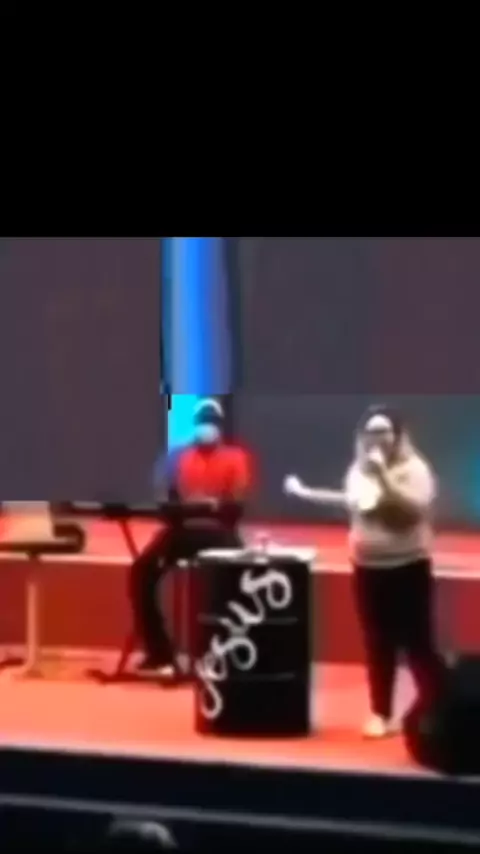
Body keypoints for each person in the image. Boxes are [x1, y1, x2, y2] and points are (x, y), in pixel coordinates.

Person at [284, 404, 443, 739]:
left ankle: (440, 707)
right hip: (368, 568)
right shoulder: (358, 470)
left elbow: (413, 509)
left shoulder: (415, 469)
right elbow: (351, 500)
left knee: (418, 643)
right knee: (377, 641)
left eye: (384, 431)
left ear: (398, 435)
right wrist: (305, 493)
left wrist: (384, 476)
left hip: (408, 566)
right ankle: (381, 713)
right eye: (371, 432)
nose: (377, 438)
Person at [129, 398, 253, 676]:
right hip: (182, 533)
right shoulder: (177, 457)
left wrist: (213, 507)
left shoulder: (236, 458)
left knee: (242, 580)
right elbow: (164, 498)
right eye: (202, 421)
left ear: (221, 426)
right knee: (141, 572)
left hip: (220, 534)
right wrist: (186, 508)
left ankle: (231, 654)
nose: (207, 426)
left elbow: (236, 505)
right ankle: (159, 653)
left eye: (212, 421)